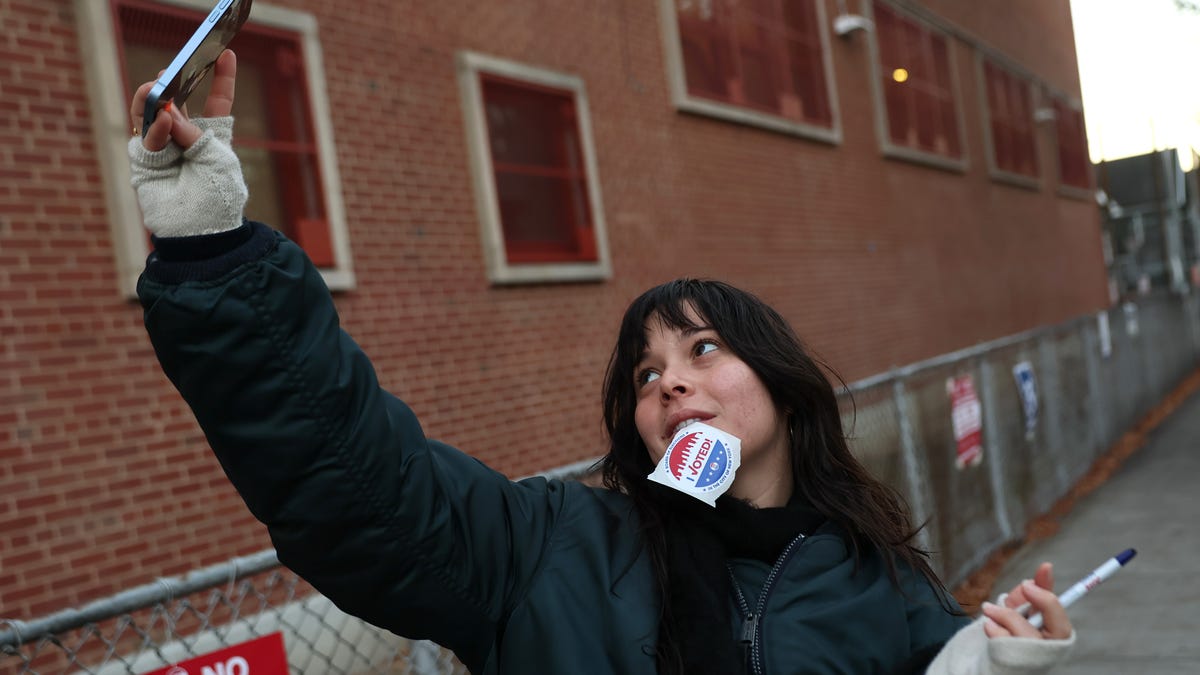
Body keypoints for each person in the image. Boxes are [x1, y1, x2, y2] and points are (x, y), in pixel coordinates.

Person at [128, 50, 1077, 674]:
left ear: (785, 391)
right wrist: (213, 251)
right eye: (644, 374)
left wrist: (1003, 658)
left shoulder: (886, 586)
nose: (669, 380)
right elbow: (354, 481)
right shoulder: (550, 547)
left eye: (703, 348)